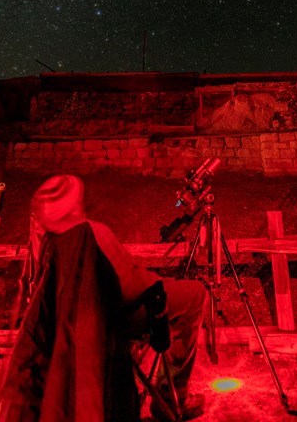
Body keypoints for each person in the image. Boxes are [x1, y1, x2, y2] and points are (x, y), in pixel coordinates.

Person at [28, 174, 206, 421]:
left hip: (64, 323)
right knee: (194, 295)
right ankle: (171, 396)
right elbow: (129, 288)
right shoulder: (93, 233)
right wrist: (153, 280)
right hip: (107, 320)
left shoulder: (42, 241)